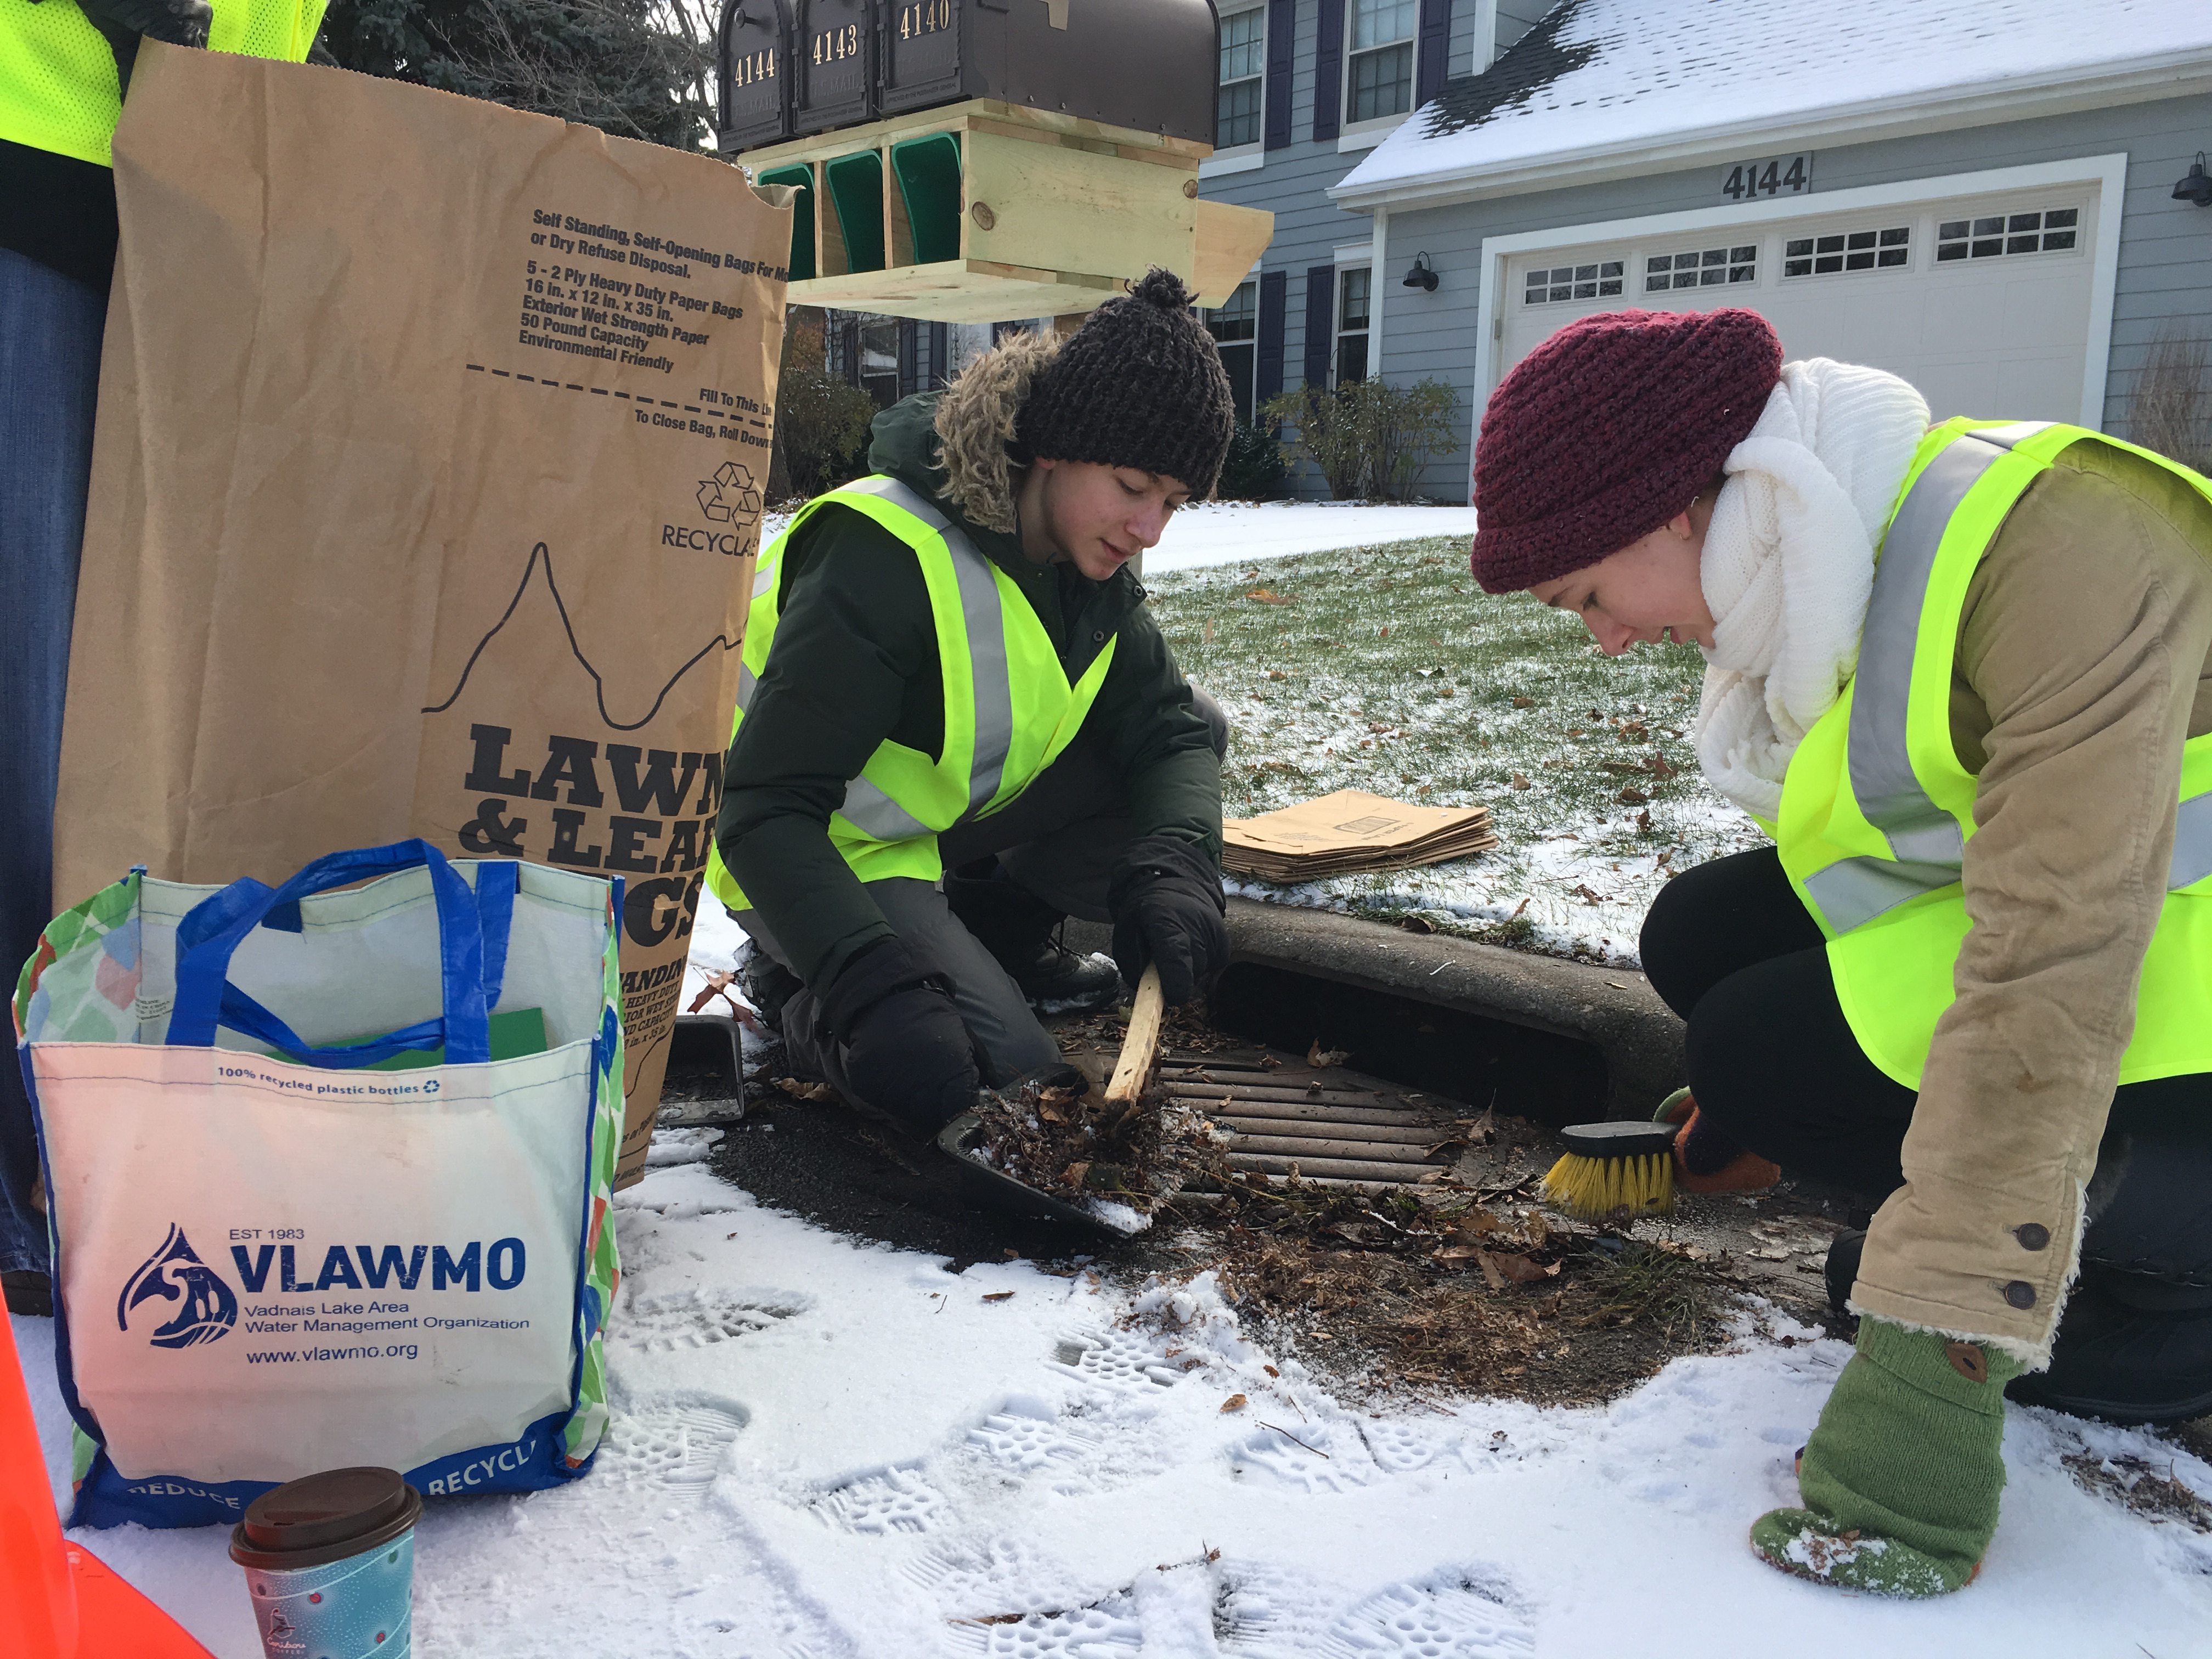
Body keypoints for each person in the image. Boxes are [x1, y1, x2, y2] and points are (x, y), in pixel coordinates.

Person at [1470, 306, 2212, 1597]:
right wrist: (1764, 1116)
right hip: (2152, 940)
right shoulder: (1839, 544)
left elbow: (2056, 963)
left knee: (1765, 1045)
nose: (1609, 637)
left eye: (1590, 593)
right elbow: (1899, 863)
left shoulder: (2064, 549)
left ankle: (2173, 1258)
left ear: (1679, 507)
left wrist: (1939, 1349)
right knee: (1706, 938)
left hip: (2127, 958)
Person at [708, 268, 1234, 1155]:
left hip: (924, 831)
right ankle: (799, 994)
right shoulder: (885, 552)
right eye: (1135, 485)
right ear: (1058, 447)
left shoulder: (1083, 564)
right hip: (804, 848)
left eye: (1173, 504)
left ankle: (994, 937)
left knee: (1200, 722)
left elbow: (1172, 734)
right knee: (1008, 1091)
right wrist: (865, 980)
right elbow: (761, 809)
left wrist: (1180, 864)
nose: (1150, 530)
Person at [2, 0, 328, 1315]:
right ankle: (42, 1170)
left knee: (174, 708)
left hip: (213, 193)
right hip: (39, 168)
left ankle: (123, 1139)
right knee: (41, 719)